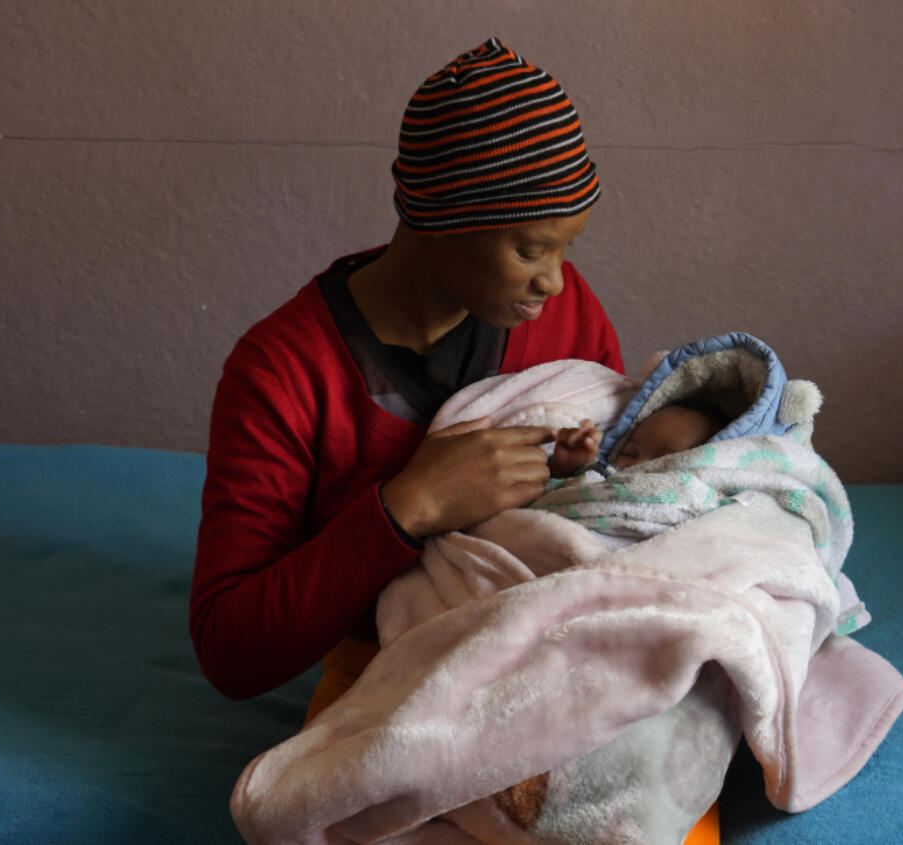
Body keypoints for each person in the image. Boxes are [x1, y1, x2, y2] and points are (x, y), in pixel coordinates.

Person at [190, 38, 622, 703]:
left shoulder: (566, 320)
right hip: (387, 667)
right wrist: (409, 506)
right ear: (440, 220)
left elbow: (622, 487)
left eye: (568, 246)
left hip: (559, 646)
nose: (555, 282)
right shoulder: (282, 375)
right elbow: (229, 649)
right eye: (530, 249)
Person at [547, 405, 727, 478]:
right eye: (629, 453)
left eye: (661, 460)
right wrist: (565, 470)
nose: (637, 465)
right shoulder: (600, 476)